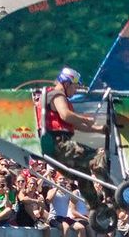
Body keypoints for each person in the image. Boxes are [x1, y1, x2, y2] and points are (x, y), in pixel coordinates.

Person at [41, 67, 108, 208]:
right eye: (75, 86)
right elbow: (65, 115)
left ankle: (96, 209)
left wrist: (98, 129)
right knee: (99, 156)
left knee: (83, 174)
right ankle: (113, 193)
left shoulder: (51, 96)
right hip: (60, 143)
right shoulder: (57, 95)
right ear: (66, 83)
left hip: (54, 149)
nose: (76, 90)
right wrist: (85, 118)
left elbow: (74, 124)